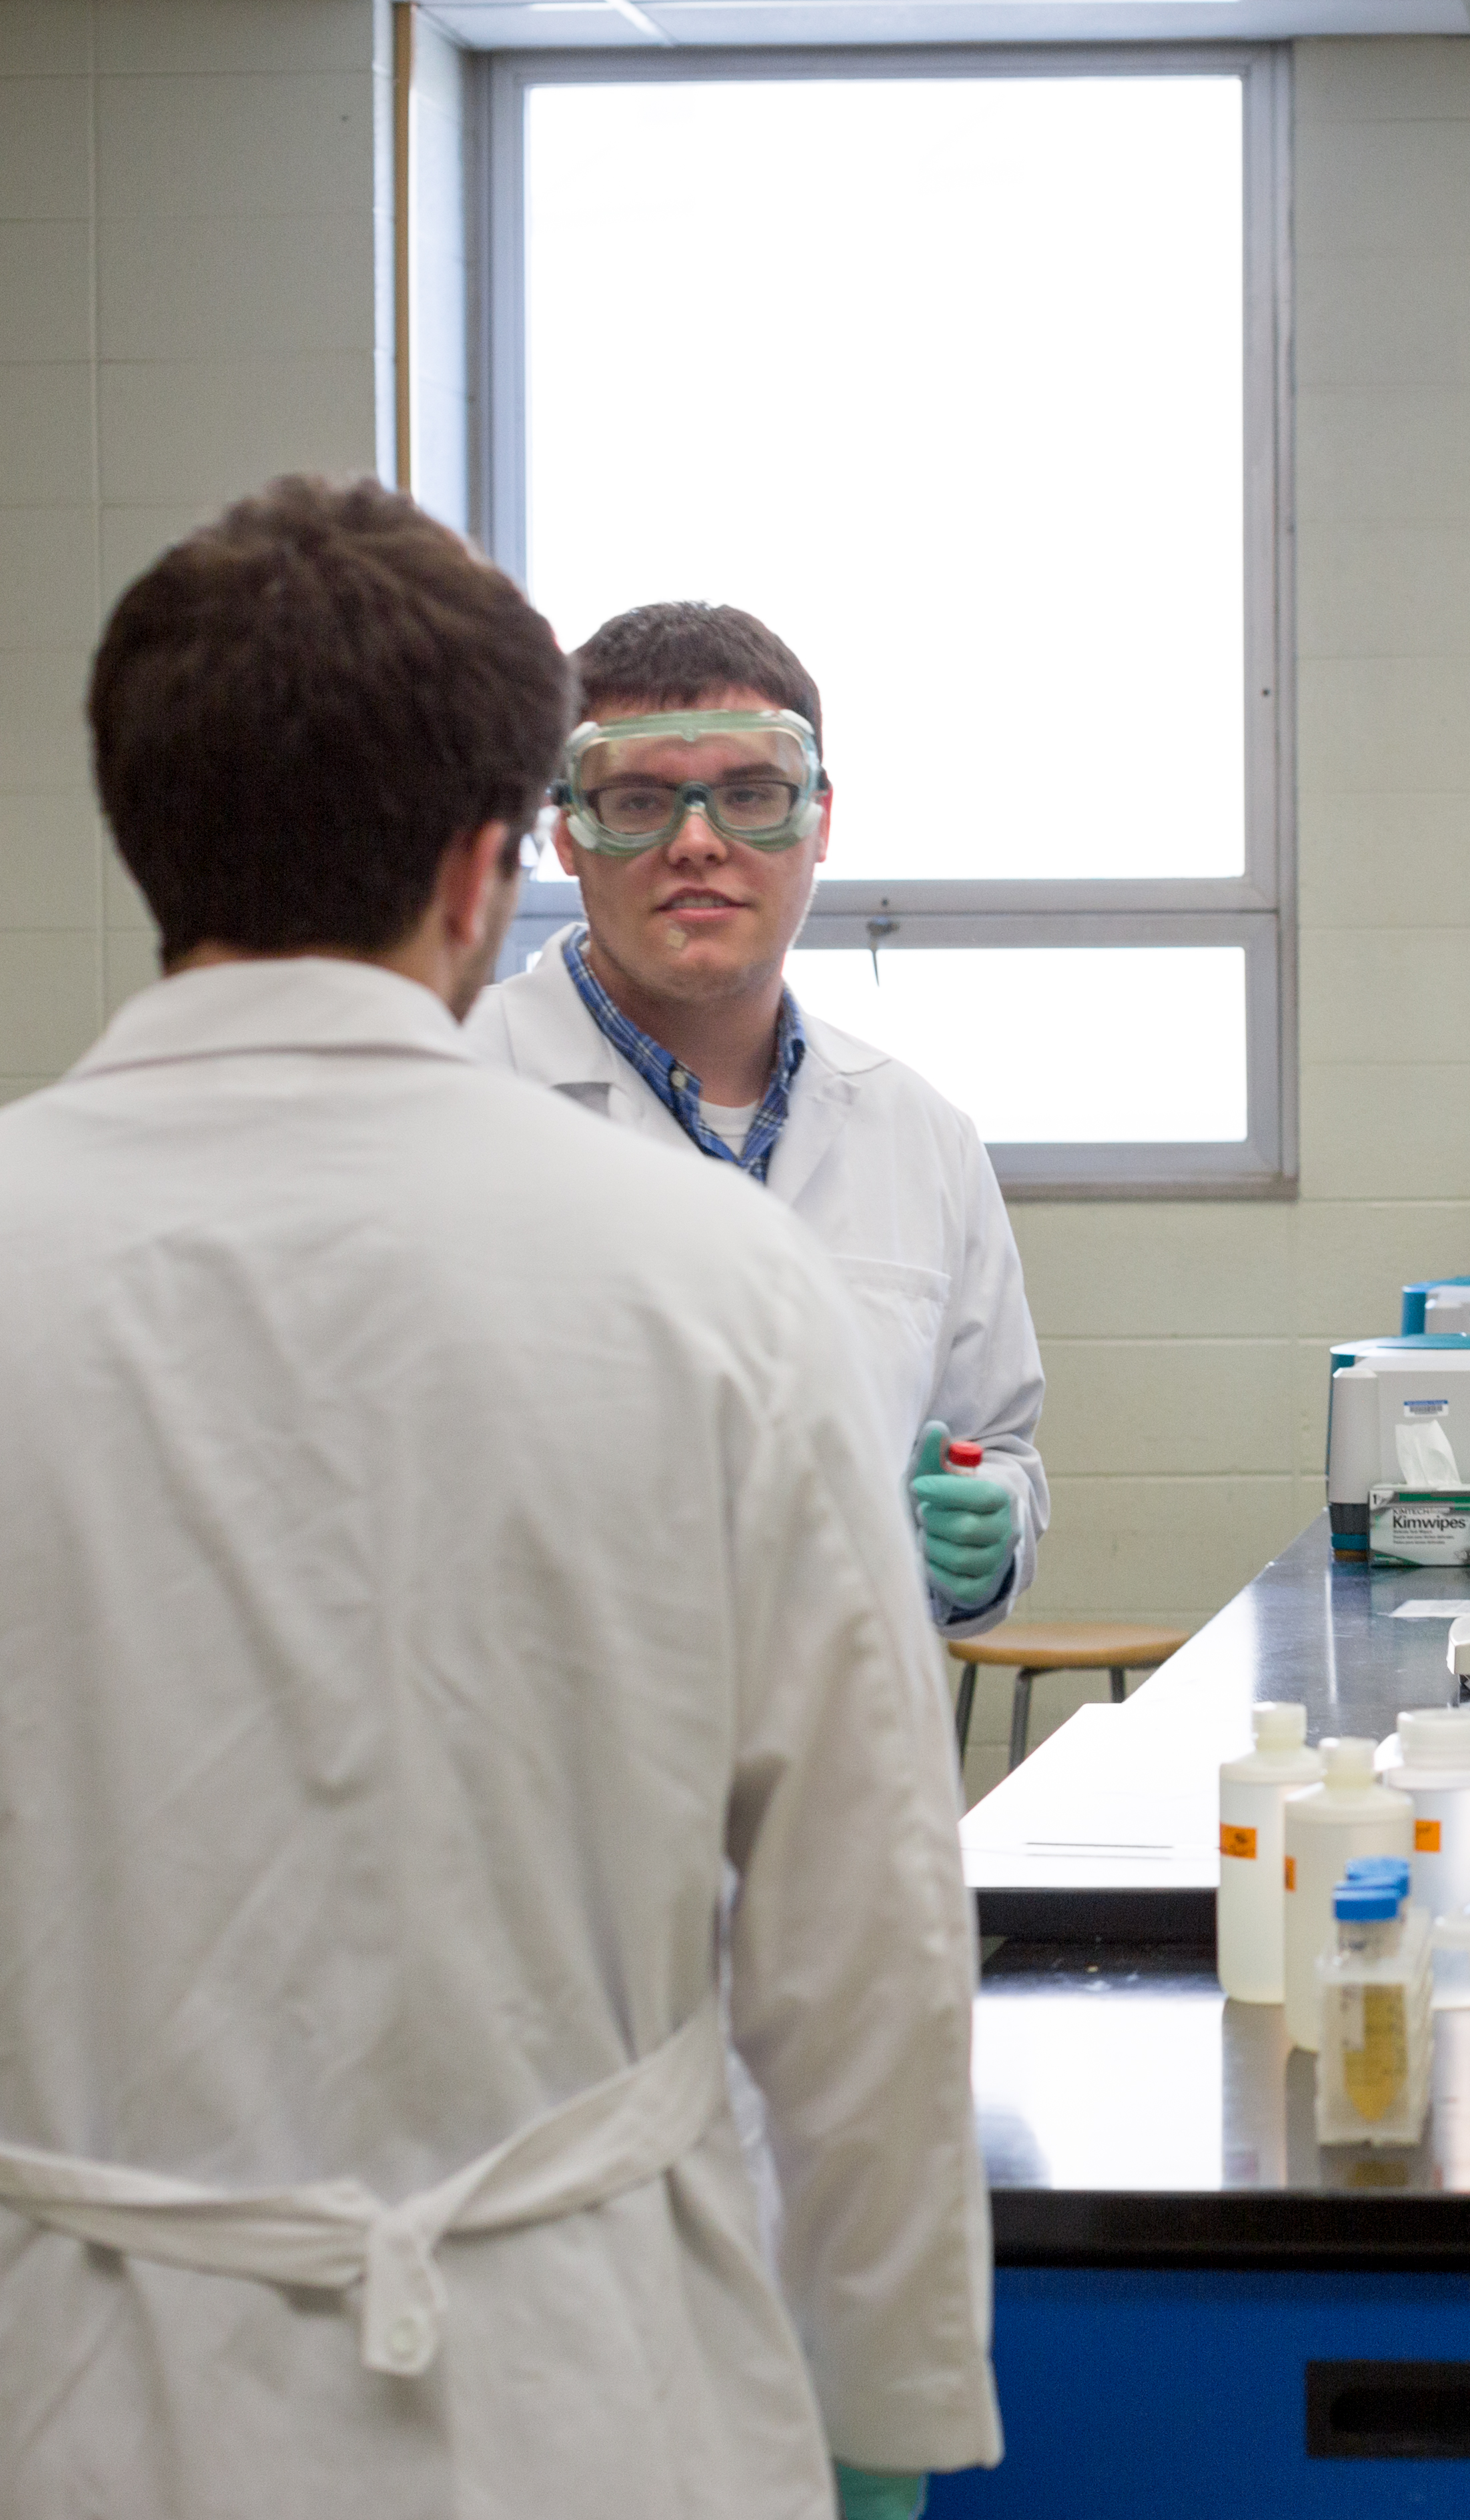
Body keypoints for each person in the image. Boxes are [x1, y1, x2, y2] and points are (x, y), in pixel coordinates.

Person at [0, 478, 994, 2515]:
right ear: (491, 865)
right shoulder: (719, 1282)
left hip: (68, 2375)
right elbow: (863, 1932)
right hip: (581, 2381)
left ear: (138, 824)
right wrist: (893, 2393)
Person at [464, 602, 1046, 1634]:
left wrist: (989, 1532)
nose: (698, 842)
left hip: (846, 1760)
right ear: (564, 830)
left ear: (820, 821)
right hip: (543, 1767)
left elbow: (993, 1441)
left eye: (751, 795)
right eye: (639, 800)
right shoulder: (456, 1096)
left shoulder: (920, 1137)